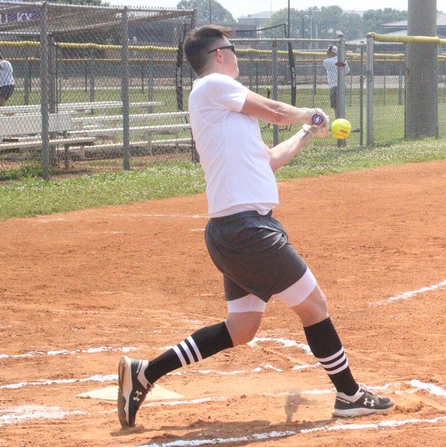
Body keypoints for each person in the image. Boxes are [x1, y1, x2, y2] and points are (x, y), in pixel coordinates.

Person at [117, 25, 392, 428]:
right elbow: (276, 111)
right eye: (232, 48)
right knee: (314, 307)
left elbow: (269, 159)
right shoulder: (211, 86)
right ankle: (349, 394)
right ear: (219, 55)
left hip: (238, 231)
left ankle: (145, 373)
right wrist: (309, 113)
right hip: (247, 233)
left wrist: (304, 133)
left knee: (242, 327)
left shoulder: (228, 110)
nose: (236, 54)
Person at [322, 45, 349, 117]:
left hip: (334, 86)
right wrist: (340, 64)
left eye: (329, 52)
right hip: (343, 85)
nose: (327, 53)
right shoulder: (342, 60)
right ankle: (342, 121)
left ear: (333, 52)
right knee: (341, 105)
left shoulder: (327, 61)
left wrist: (339, 65)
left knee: (336, 107)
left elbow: (332, 65)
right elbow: (347, 70)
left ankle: (339, 122)